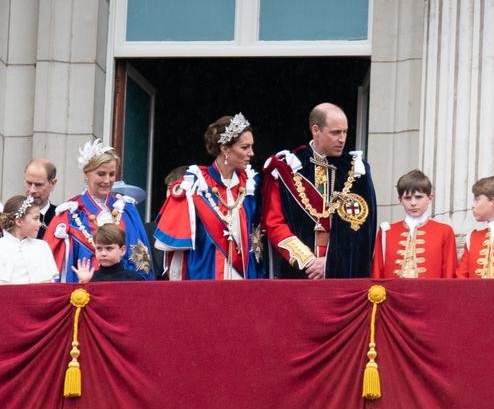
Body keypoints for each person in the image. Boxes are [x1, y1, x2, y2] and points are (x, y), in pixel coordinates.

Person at [260, 103, 377, 279]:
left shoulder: (357, 170)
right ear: (316, 130)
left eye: (345, 132)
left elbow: (362, 230)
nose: (342, 139)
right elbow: (275, 223)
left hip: (342, 275)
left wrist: (331, 263)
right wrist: (308, 261)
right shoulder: (287, 168)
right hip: (299, 274)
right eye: (336, 132)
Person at [154, 114, 266, 280]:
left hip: (243, 278)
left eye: (251, 146)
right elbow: (177, 252)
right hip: (204, 277)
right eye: (245, 147)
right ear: (225, 149)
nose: (251, 153)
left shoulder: (250, 185)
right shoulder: (195, 184)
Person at [46, 139, 153, 282]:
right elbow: (53, 266)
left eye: (112, 174)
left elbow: (142, 260)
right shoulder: (69, 214)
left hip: (124, 291)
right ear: (86, 173)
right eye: (101, 174)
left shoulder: (127, 210)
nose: (107, 180)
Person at [372, 170, 457, 279]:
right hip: (393, 294)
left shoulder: (444, 231)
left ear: (430, 198)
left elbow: (449, 273)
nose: (413, 203)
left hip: (430, 294)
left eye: (418, 197)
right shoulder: (386, 232)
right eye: (407, 198)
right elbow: (377, 272)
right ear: (400, 200)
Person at [0, 195, 58, 283]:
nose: (40, 224)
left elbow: (49, 285)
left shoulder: (42, 247)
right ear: (19, 221)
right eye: (36, 218)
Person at [73, 223, 148, 282]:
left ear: (122, 250)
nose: (103, 253)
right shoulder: (90, 279)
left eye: (109, 248)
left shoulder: (135, 280)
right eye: (99, 248)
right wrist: (83, 283)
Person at [23, 159, 58, 239]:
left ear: (52, 184)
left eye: (38, 185)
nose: (32, 190)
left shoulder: (61, 218)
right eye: (29, 183)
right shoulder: (11, 214)